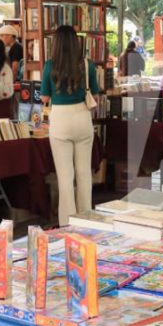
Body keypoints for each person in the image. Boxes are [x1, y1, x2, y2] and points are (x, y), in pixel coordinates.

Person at [41, 25, 100, 225]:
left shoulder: (50, 66)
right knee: (84, 173)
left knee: (65, 176)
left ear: (56, 44)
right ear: (76, 42)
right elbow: (95, 94)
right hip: (82, 118)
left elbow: (44, 97)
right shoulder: (87, 65)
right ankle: (86, 219)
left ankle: (67, 222)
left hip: (60, 119)